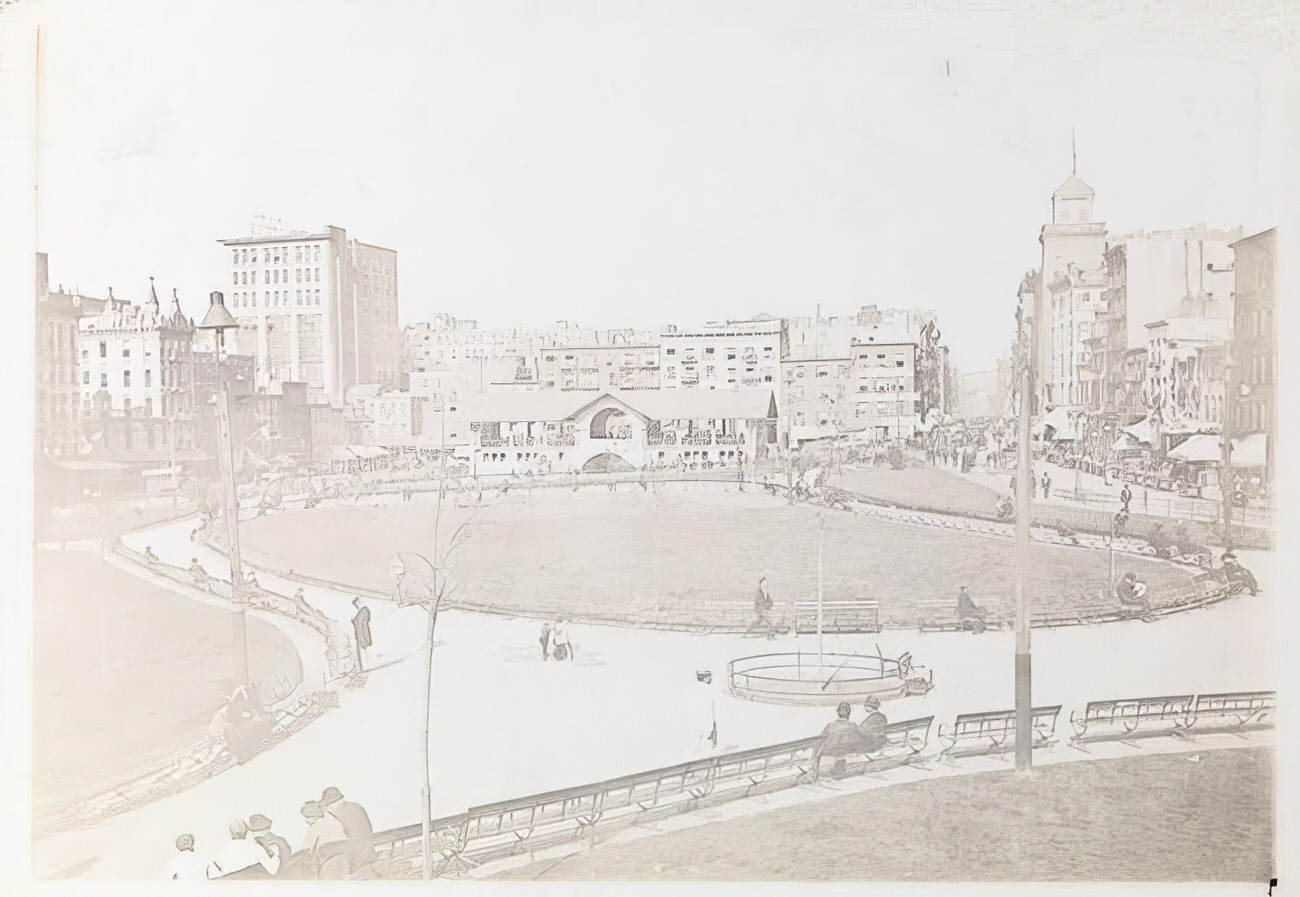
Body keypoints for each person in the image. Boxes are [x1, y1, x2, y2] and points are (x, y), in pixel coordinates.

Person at [317, 786, 376, 877]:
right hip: (367, 846)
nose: (327, 809)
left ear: (332, 803)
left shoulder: (341, 811)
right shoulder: (354, 806)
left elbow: (335, 833)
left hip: (359, 848)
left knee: (323, 849)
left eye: (327, 806)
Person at [206, 819, 280, 879]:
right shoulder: (256, 848)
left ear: (231, 833)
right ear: (246, 832)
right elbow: (273, 871)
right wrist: (275, 854)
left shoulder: (222, 851)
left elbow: (212, 875)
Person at [811, 702, 865, 781]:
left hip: (831, 750)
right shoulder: (852, 726)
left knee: (818, 746)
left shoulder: (831, 725)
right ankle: (839, 767)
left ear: (838, 712)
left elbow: (821, 738)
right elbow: (861, 736)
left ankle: (815, 771)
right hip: (846, 749)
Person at [351, 597, 372, 673]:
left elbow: (360, 622)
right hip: (361, 635)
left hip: (362, 635)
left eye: (356, 604)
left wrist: (354, 621)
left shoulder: (363, 611)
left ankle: (365, 669)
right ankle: (364, 669)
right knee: (362, 652)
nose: (356, 606)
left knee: (363, 652)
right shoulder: (364, 611)